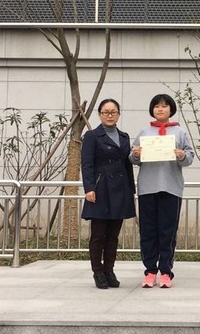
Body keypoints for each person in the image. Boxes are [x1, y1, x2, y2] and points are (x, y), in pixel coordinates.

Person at [130, 94, 194, 289]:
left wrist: (182, 155)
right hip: (148, 188)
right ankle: (150, 270)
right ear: (152, 110)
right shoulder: (144, 132)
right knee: (148, 231)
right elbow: (133, 158)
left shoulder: (180, 133)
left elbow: (190, 157)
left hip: (171, 187)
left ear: (171, 109)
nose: (160, 109)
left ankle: (166, 271)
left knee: (168, 231)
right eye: (157, 106)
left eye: (164, 106)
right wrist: (135, 154)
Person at [81, 98, 136, 289]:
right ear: (99, 114)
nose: (110, 115)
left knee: (113, 235)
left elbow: (128, 165)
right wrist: (89, 188)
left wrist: (131, 191)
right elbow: (86, 164)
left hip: (121, 190)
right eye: (106, 112)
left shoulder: (124, 136)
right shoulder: (92, 136)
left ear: (119, 114)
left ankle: (109, 270)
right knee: (98, 235)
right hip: (100, 189)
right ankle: (98, 271)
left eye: (113, 112)